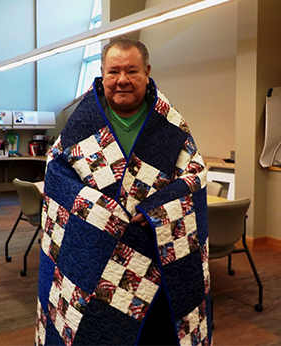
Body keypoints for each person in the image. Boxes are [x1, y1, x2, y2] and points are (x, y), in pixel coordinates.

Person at [36, 36, 211, 346]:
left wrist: (157, 208)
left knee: (154, 337)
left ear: (147, 72)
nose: (122, 81)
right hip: (95, 253)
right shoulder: (82, 124)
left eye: (131, 71)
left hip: (154, 255)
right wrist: (103, 212)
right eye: (113, 72)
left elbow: (195, 173)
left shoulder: (169, 124)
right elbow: (57, 174)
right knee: (91, 332)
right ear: (102, 76)